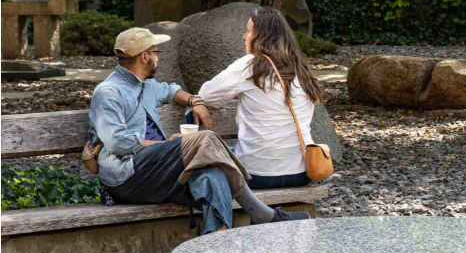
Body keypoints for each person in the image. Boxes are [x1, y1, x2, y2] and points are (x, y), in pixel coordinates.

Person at [87, 27, 309, 235]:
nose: (158, 57)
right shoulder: (108, 92)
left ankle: (218, 244)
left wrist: (195, 100)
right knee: (205, 140)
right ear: (145, 57)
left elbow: (170, 90)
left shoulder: (145, 85)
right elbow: (117, 143)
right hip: (127, 177)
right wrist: (167, 147)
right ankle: (262, 214)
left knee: (212, 172)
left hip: (155, 174)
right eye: (156, 52)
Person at [196, 7, 326, 189]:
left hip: (258, 174)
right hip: (303, 171)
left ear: (262, 36)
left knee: (206, 165)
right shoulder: (301, 69)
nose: (244, 37)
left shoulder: (250, 65)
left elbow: (206, 95)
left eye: (249, 32)